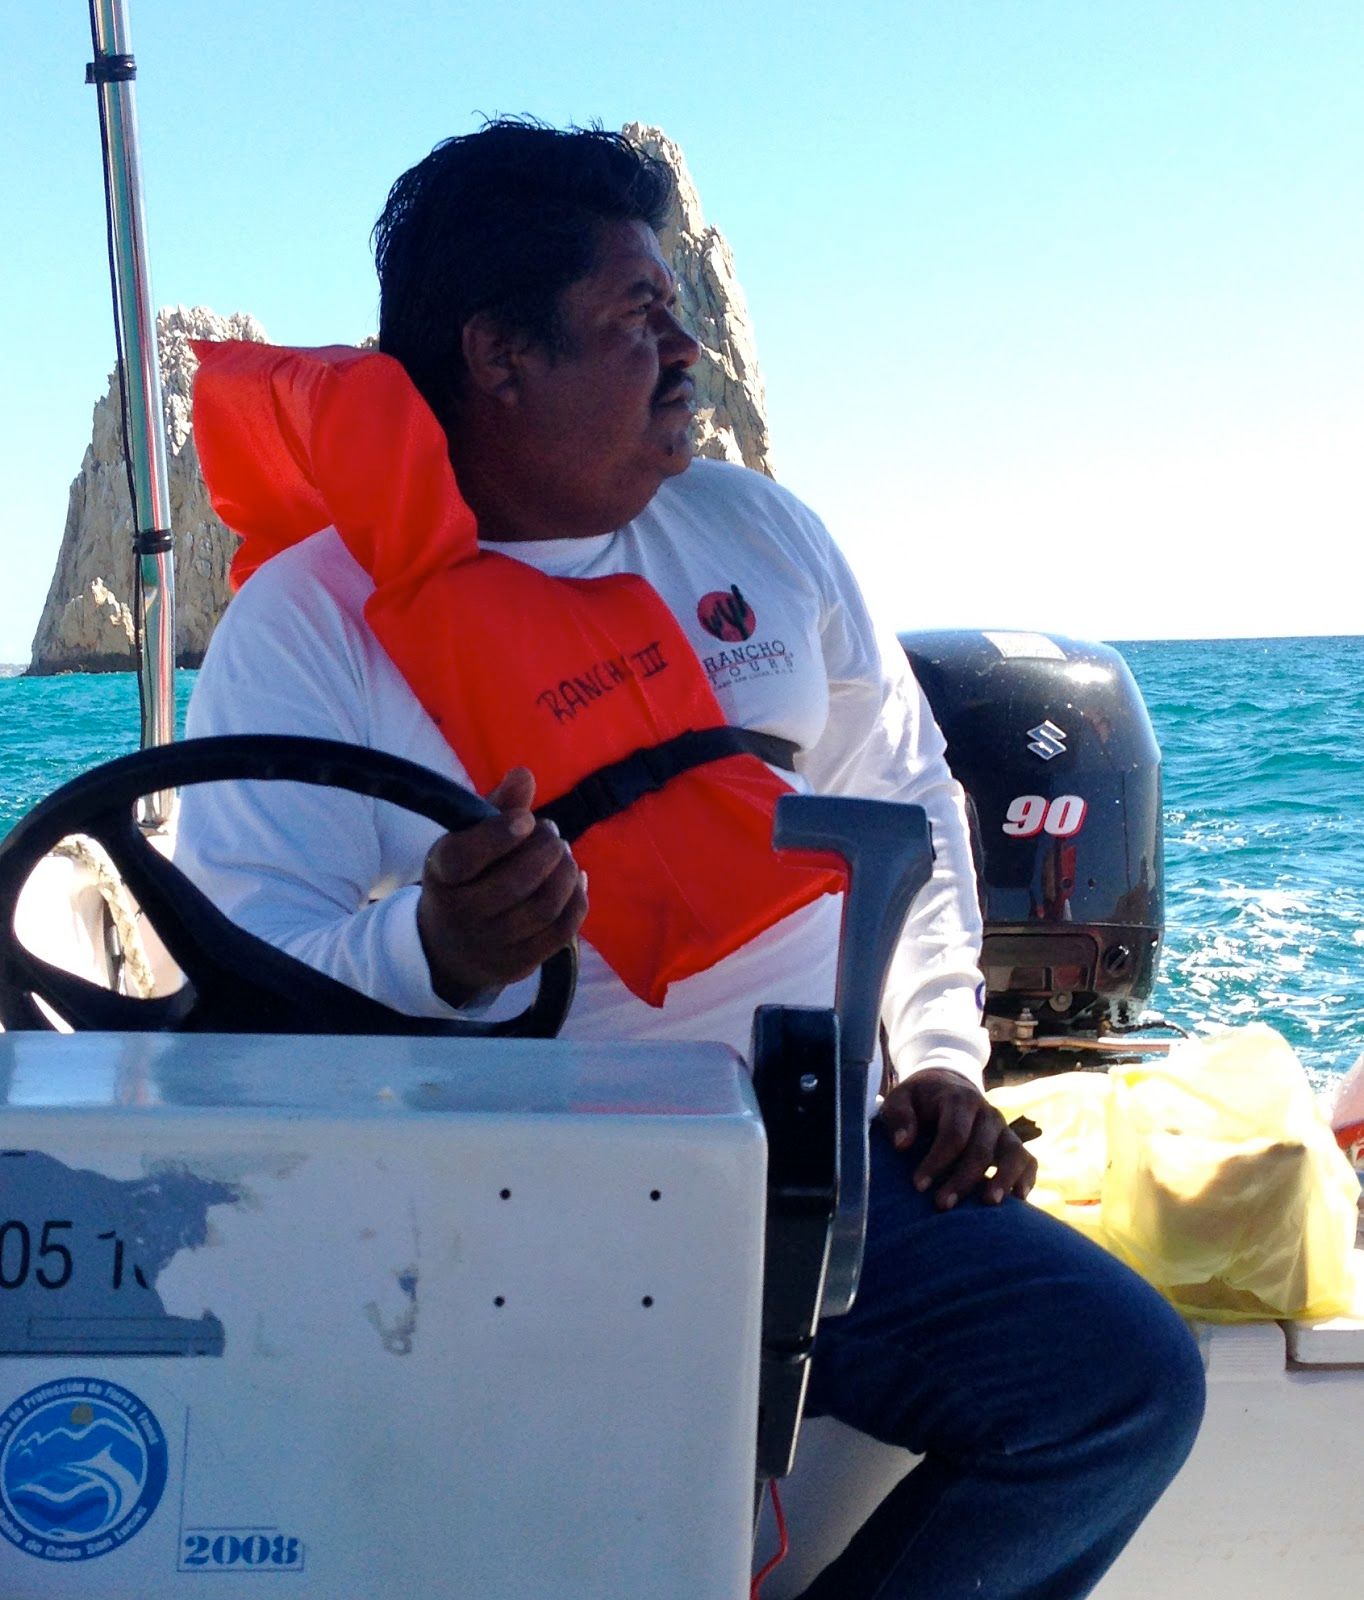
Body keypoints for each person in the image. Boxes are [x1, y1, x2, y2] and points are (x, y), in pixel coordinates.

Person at [177, 121, 1205, 1600]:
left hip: (828, 1183)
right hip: (507, 1223)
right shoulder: (310, 631)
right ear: (498, 356)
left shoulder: (762, 537)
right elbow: (251, 985)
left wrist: (936, 1062)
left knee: (1121, 1386)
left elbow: (905, 807)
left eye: (682, 316)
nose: (688, 357)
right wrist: (437, 955)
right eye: (636, 322)